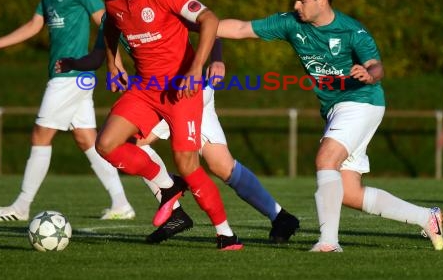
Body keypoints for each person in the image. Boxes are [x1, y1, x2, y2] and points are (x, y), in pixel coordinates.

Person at [216, 0, 443, 252]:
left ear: (322, 0)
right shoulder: (291, 23)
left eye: (302, 0)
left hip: (362, 101)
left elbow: (377, 65)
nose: (295, 6)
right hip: (337, 109)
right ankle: (427, 217)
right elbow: (239, 28)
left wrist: (370, 73)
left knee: (326, 159)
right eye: (295, 0)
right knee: (348, 192)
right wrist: (193, 22)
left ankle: (328, 242)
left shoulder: (352, 30)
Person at [57, 20, 300, 245]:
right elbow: (99, 57)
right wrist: (72, 64)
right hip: (169, 94)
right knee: (222, 165)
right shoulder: (115, 18)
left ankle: (175, 208)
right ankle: (280, 217)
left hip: (182, 94)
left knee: (133, 142)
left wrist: (217, 58)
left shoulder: (158, 4)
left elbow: (210, 23)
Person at [92, 0, 243, 250]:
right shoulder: (113, 2)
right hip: (145, 89)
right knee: (106, 144)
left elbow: (210, 19)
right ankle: (167, 186)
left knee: (187, 162)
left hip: (181, 90)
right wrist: (112, 63)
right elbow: (110, 28)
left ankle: (225, 232)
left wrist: (196, 68)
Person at [0, 0, 135, 222]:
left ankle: (21, 207)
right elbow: (35, 26)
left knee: (40, 134)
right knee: (87, 139)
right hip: (67, 77)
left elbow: (107, 22)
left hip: (71, 75)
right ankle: (121, 203)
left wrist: (114, 62)